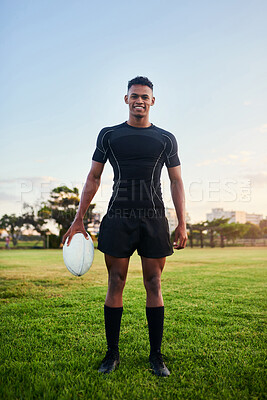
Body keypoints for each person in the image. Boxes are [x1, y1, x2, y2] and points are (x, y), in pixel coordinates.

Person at [62, 76, 187, 377]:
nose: (139, 101)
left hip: (155, 217)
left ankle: (156, 357)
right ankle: (111, 354)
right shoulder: (109, 136)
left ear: (152, 101)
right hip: (118, 215)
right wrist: (78, 218)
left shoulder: (166, 138)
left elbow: (176, 180)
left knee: (154, 284)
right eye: (134, 96)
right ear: (126, 99)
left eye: (145, 96)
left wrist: (182, 223)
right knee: (115, 282)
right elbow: (93, 177)